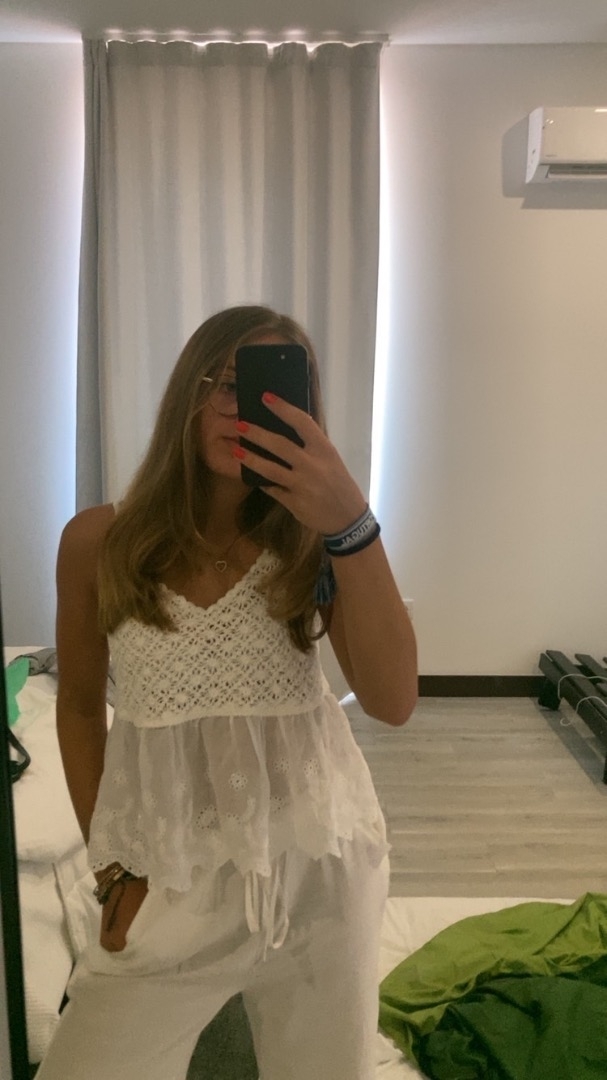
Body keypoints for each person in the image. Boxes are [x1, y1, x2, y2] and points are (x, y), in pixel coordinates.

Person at [37, 305, 418, 1080]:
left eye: (272, 393)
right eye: (225, 384)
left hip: (319, 870)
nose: (242, 409)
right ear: (188, 393)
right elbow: (77, 707)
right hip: (169, 876)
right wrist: (112, 870)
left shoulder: (312, 540)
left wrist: (351, 522)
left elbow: (391, 700)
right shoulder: (98, 541)